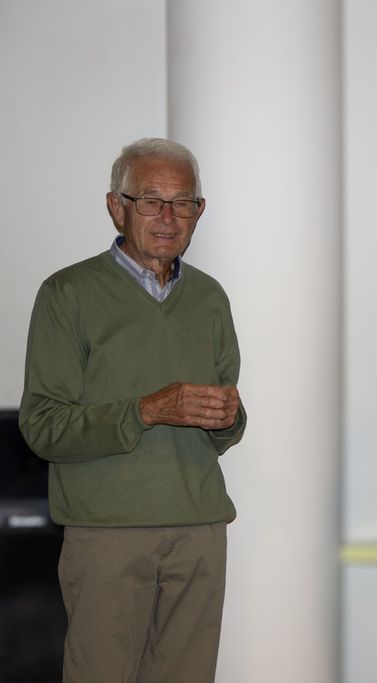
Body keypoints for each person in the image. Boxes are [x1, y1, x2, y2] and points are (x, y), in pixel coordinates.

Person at [19, 138, 245, 683]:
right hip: (107, 534)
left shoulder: (210, 297)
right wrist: (145, 410)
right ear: (116, 207)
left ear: (199, 211)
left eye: (183, 202)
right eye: (150, 200)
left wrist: (228, 418)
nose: (168, 217)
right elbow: (42, 427)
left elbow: (224, 426)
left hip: (199, 528)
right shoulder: (67, 293)